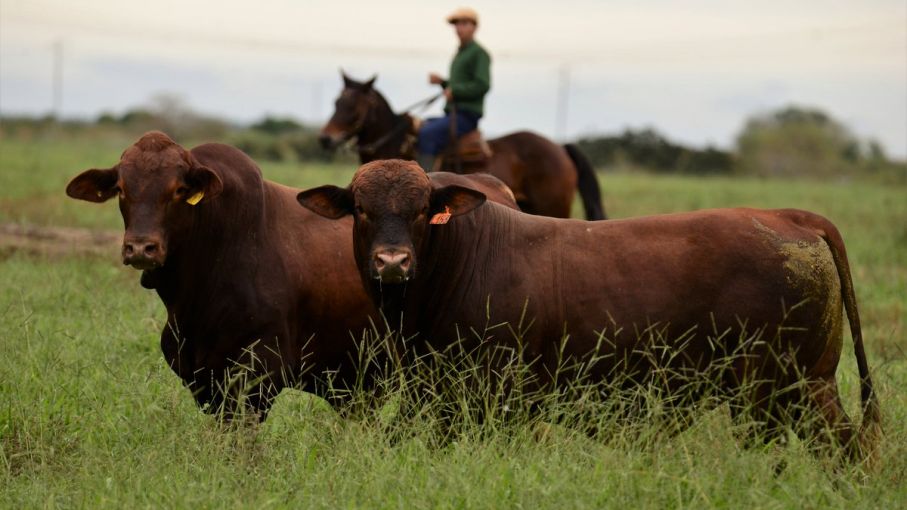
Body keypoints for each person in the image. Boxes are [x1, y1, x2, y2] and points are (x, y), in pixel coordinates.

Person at [417, 7, 491, 171]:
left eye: (464, 23)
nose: (459, 28)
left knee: (427, 134)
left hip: (466, 115)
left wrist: (455, 91)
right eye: (456, 24)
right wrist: (443, 82)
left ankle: (423, 184)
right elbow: (460, 84)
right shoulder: (461, 53)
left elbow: (482, 84)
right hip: (453, 113)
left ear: (474, 27)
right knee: (417, 126)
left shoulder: (479, 53)